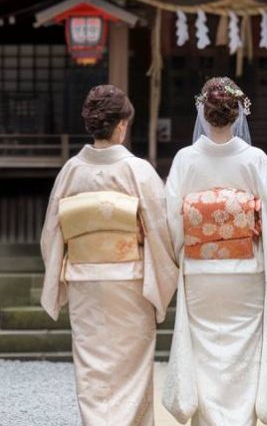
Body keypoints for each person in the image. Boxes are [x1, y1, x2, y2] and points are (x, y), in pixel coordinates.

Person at [162, 77, 267, 426]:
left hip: (200, 273)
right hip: (245, 272)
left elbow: (169, 217)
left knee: (205, 355)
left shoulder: (185, 159)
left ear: (204, 113)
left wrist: (184, 249)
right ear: (238, 113)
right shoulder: (254, 159)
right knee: (243, 356)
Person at [38, 84, 178, 426]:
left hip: (86, 282)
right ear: (121, 126)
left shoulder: (71, 170)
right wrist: (164, 277)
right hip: (129, 283)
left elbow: (51, 235)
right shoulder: (138, 171)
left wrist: (63, 274)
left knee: (92, 370)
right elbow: (161, 230)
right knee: (130, 368)